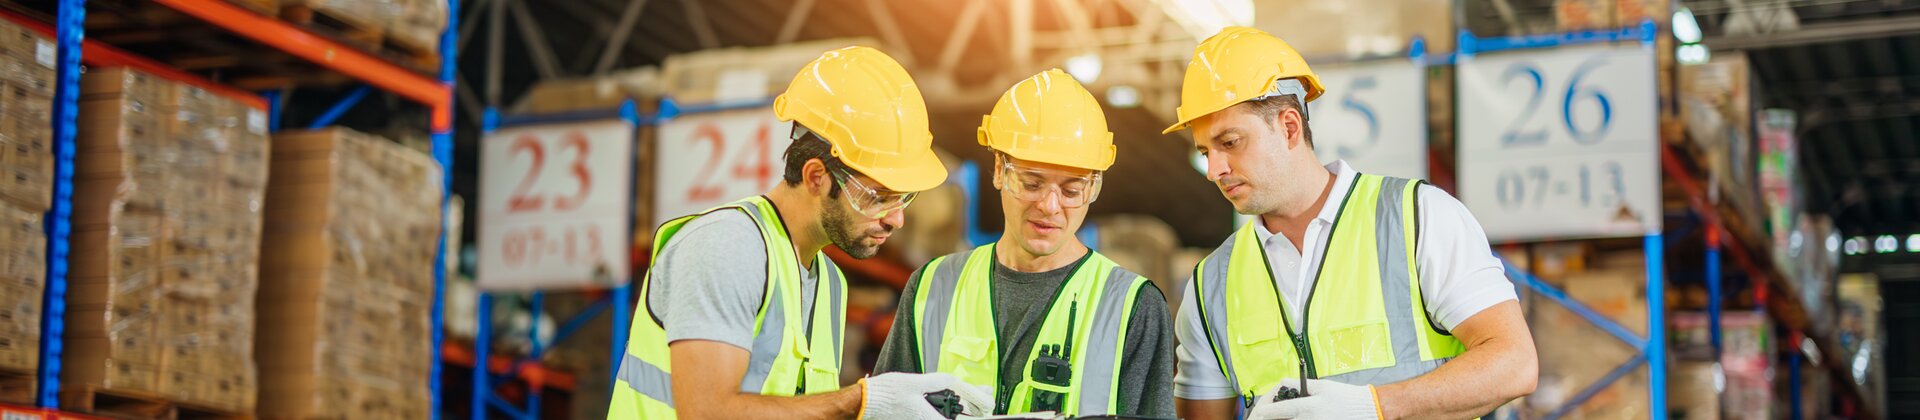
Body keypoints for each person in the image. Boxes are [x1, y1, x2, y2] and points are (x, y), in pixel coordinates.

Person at [1162, 27, 1539, 420]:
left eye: (1230, 142)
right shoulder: (1211, 283)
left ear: (1290, 127)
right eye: (1205, 150)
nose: (1214, 169)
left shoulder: (1417, 217)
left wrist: (1375, 406)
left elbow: (1514, 363)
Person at [609, 46, 992, 420]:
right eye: (879, 197)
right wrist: (860, 401)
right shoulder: (727, 246)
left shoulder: (829, 284)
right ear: (815, 177)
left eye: (904, 199)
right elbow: (706, 411)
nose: (897, 220)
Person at [873, 69, 1177, 418]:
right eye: (1032, 183)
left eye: (1071, 191)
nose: (1050, 206)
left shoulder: (1132, 307)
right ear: (1000, 170)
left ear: (1093, 188)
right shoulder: (932, 287)